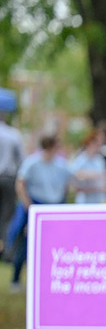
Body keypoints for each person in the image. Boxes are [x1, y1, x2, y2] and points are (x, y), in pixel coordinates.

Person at [10, 134, 71, 291]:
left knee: (53, 245)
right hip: (36, 205)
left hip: (53, 206)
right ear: (50, 146)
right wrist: (28, 206)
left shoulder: (60, 164)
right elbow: (20, 184)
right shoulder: (32, 162)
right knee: (26, 243)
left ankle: (48, 280)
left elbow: (72, 178)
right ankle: (16, 279)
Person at [0, 105, 23, 258]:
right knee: (7, 215)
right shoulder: (13, 135)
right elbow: (21, 160)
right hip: (8, 178)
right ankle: (6, 251)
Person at [69, 128, 106, 204]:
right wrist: (93, 175)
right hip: (85, 200)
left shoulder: (100, 159)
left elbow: (103, 178)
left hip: (100, 199)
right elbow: (76, 175)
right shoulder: (81, 159)